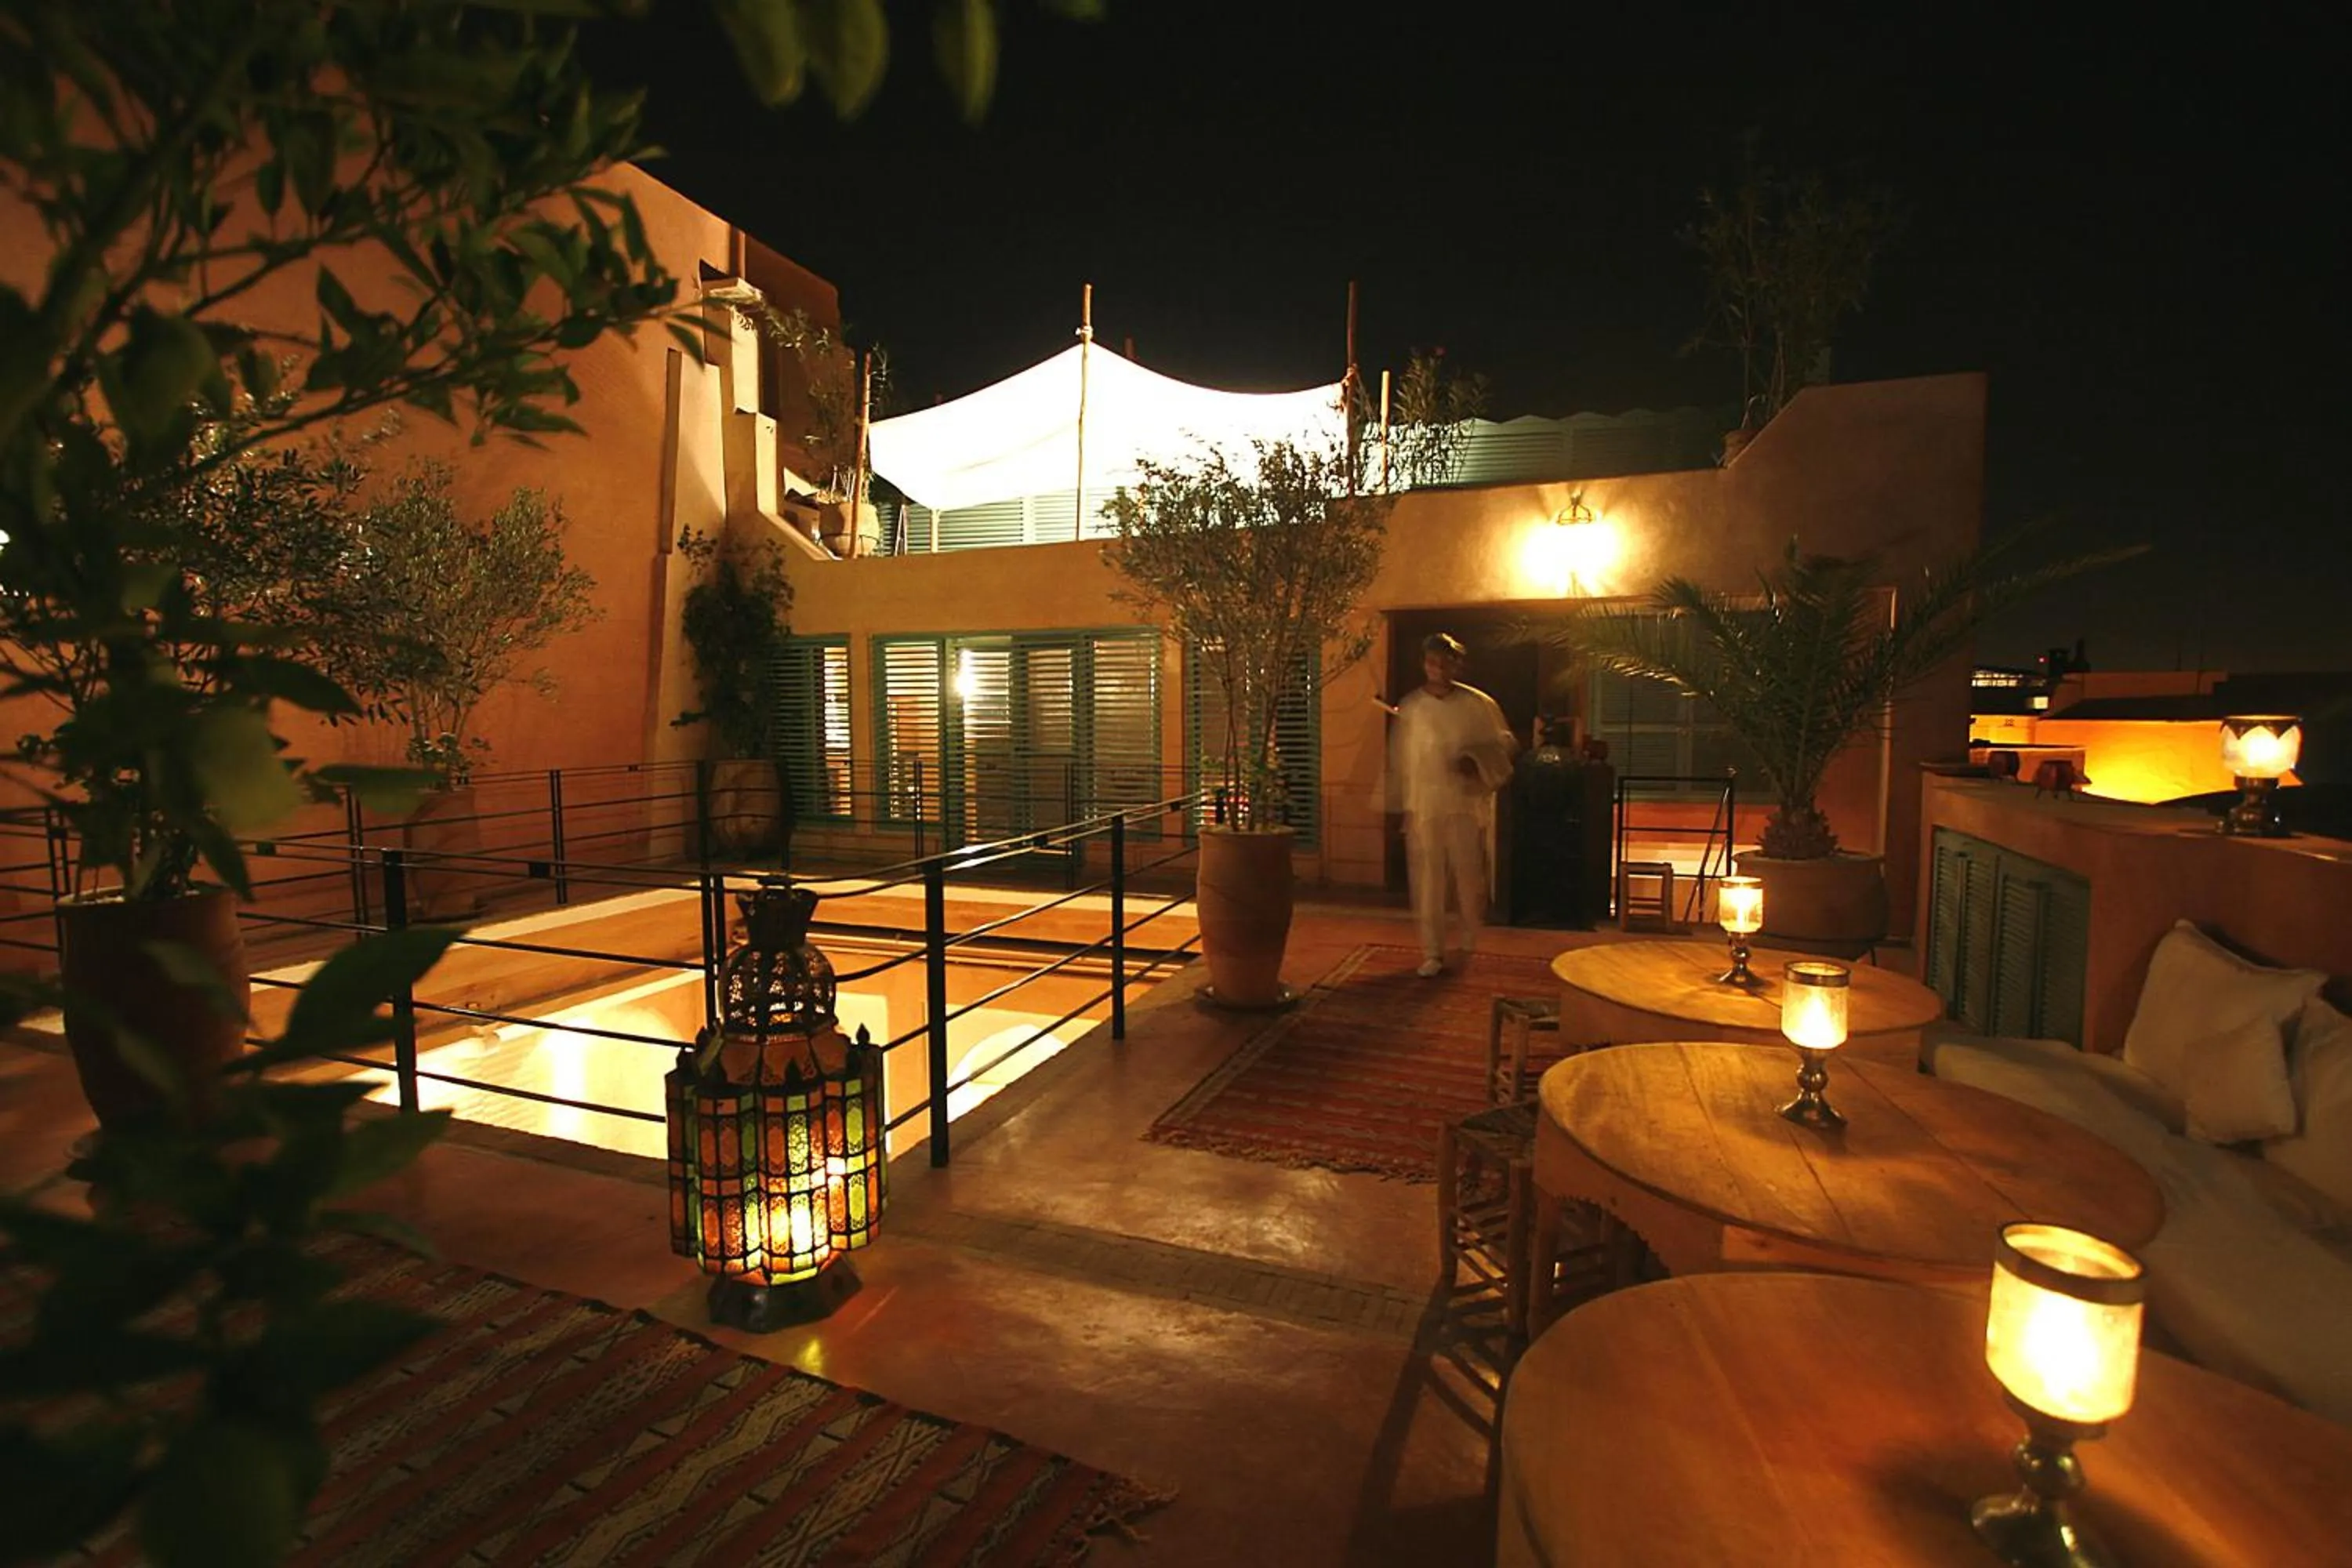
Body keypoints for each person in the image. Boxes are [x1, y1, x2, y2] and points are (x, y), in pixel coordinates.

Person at [1388, 633, 1517, 977]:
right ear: (1424, 664)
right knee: (1428, 881)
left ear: (1457, 664)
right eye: (1433, 662)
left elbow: (1503, 746)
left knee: (1467, 877)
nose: (1439, 669)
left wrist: (1475, 762)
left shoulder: (1478, 704)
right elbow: (1402, 762)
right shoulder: (1413, 707)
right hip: (1426, 805)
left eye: (1446, 662)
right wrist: (1406, 806)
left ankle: (1469, 939)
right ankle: (1433, 951)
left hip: (1464, 803)